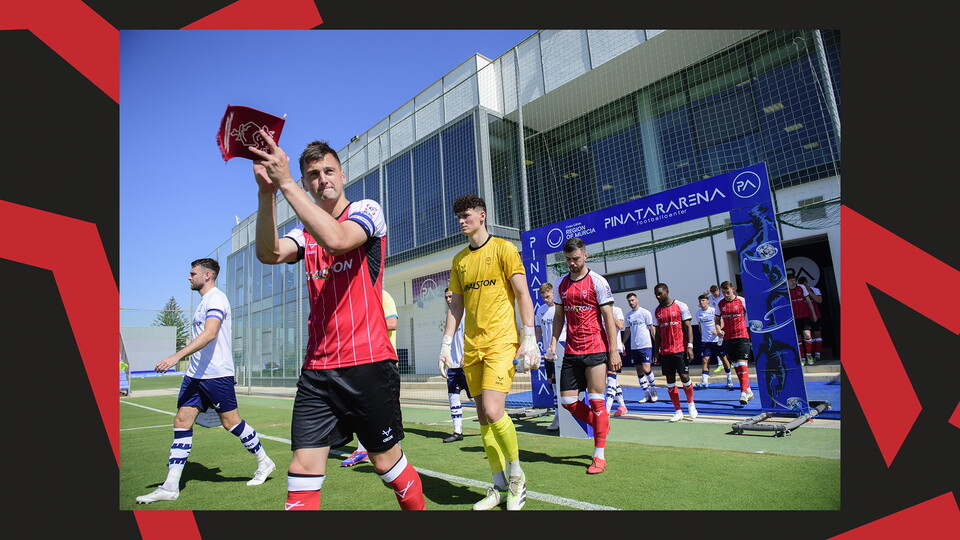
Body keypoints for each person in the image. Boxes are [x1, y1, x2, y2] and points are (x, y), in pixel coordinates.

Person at [250, 131, 424, 510]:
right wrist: (267, 195)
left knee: (385, 463)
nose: (322, 179)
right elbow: (268, 253)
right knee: (302, 466)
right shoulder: (304, 232)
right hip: (317, 371)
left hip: (368, 365)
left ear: (343, 176)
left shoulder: (367, 210)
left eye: (329, 171)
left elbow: (339, 240)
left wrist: (286, 183)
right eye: (313, 174)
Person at [136, 258, 275, 504]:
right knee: (181, 421)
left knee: (231, 424)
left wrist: (175, 356)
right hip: (195, 375)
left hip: (217, 375)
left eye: (193, 273)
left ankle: (265, 462)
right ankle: (170, 486)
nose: (189, 277)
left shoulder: (217, 299)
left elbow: (210, 334)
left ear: (207, 275)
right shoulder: (202, 302)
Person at [439, 194, 537, 511]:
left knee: (494, 410)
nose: (461, 221)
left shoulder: (504, 250)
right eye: (458, 216)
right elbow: (456, 305)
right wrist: (445, 343)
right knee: (482, 417)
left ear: (482, 216)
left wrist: (530, 335)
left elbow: (523, 293)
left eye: (466, 215)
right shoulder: (459, 261)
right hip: (471, 347)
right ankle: (497, 485)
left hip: (501, 342)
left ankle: (518, 478)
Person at [545, 237, 621, 473]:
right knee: (568, 401)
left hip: (596, 349)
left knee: (597, 400)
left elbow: (608, 317)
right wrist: (552, 344)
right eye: (568, 260)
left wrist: (613, 349)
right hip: (571, 350)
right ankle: (601, 424)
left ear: (585, 256)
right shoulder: (560, 284)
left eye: (576, 259)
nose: (572, 263)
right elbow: (559, 317)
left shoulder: (598, 282)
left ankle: (599, 455)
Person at [340, 288, 399, 466]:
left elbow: (392, 323)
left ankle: (396, 450)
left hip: (383, 361)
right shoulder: (354, 297)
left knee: (388, 409)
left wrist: (362, 322)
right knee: (360, 407)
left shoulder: (383, 295)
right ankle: (362, 449)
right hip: (360, 361)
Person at [651, 283, 697, 422]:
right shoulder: (656, 311)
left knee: (684, 376)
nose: (658, 297)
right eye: (656, 295)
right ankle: (678, 410)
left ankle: (691, 405)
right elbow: (657, 333)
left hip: (680, 349)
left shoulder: (681, 306)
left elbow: (688, 327)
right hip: (665, 351)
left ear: (667, 292)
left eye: (660, 294)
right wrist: (656, 351)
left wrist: (690, 346)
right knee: (670, 381)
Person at [716, 280, 755, 406]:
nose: (726, 295)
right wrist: (718, 330)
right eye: (723, 293)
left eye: (727, 292)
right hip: (729, 338)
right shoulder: (720, 303)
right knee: (737, 366)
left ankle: (743, 393)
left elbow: (753, 313)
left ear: (732, 289)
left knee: (743, 365)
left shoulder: (742, 301)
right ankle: (748, 389)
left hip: (742, 336)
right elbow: (717, 320)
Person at [438, 287, 470, 443]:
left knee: (477, 399)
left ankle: (490, 428)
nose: (449, 300)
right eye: (446, 297)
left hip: (467, 365)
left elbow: (470, 336)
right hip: (453, 366)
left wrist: (466, 354)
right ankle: (458, 431)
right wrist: (444, 356)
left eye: (451, 296)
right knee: (453, 397)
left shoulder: (466, 313)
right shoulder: (449, 315)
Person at [534, 282, 565, 431]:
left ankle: (563, 416)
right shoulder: (540, 310)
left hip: (561, 352)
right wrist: (533, 345)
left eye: (547, 296)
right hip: (548, 354)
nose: (546, 300)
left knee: (562, 385)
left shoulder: (560, 308)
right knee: (552, 384)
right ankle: (558, 416)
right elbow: (539, 330)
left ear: (553, 292)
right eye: (543, 298)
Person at [624, 292, 658, 403]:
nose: (631, 302)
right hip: (634, 347)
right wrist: (623, 343)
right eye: (629, 301)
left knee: (646, 369)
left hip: (645, 345)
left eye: (633, 300)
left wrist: (656, 343)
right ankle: (646, 393)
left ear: (637, 300)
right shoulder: (628, 315)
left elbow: (651, 328)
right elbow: (627, 330)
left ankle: (653, 391)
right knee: (639, 371)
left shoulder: (645, 313)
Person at [694, 294, 732, 389]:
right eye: (700, 301)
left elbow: (722, 322)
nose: (701, 302)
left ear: (708, 301)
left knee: (723, 358)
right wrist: (702, 335)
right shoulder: (698, 314)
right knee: (705, 359)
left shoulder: (714, 311)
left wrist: (717, 331)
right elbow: (700, 326)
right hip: (705, 341)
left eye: (703, 300)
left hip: (716, 339)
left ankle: (729, 378)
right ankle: (704, 381)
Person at [787, 273, 818, 366]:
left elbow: (808, 301)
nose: (793, 281)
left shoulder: (801, 287)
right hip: (793, 317)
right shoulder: (785, 290)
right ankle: (802, 357)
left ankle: (809, 355)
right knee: (798, 338)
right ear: (787, 281)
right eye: (791, 280)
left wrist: (813, 314)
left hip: (804, 315)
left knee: (807, 335)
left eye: (794, 279)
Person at [605, 304, 629, 417]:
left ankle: (606, 409)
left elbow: (620, 325)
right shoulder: (597, 310)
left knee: (611, 378)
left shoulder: (617, 310)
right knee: (614, 380)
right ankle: (622, 405)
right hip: (602, 348)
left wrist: (609, 312)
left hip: (615, 349)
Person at [798, 276, 825, 363]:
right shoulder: (798, 291)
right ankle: (810, 354)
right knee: (808, 335)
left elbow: (819, 300)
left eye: (804, 284)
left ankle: (818, 354)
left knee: (817, 333)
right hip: (805, 316)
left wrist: (809, 291)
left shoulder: (815, 289)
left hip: (816, 314)